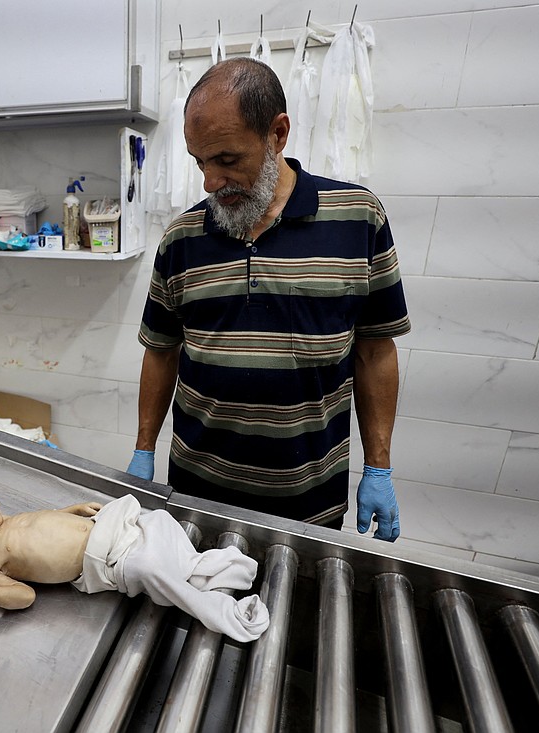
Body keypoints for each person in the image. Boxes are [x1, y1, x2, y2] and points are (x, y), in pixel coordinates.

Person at [127, 57, 410, 542]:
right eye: (200, 162)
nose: (210, 182)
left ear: (277, 134)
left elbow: (375, 350)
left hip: (308, 501)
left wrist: (378, 467)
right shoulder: (181, 239)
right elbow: (160, 350)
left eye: (227, 160)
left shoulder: (358, 219)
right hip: (196, 498)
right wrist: (145, 449)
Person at [0, 474, 270, 642]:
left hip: (107, 528)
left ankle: (200, 570)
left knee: (157, 521)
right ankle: (208, 594)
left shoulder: (6, 524)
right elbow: (24, 597)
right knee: (148, 567)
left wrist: (70, 510)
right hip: (108, 560)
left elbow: (43, 524)